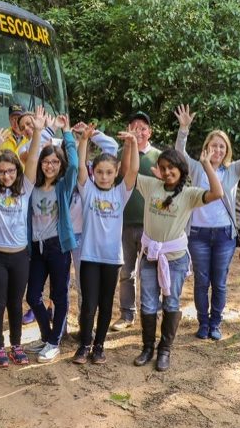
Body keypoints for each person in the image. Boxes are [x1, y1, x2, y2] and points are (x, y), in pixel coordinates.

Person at [175, 104, 240, 340]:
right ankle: (203, 323)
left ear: (227, 150)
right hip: (198, 233)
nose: (217, 149)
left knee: (220, 282)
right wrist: (184, 129)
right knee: (202, 281)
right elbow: (179, 154)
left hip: (225, 234)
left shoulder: (233, 170)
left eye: (221, 146)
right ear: (206, 147)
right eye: (213, 145)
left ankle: (216, 323)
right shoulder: (196, 168)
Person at [133, 147, 224, 372]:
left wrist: (206, 165)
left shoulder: (190, 194)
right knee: (148, 304)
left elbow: (217, 193)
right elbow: (131, 171)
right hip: (149, 256)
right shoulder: (151, 185)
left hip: (174, 259)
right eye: (162, 168)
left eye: (171, 167)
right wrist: (132, 144)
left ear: (180, 169)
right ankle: (147, 348)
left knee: (170, 303)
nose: (166, 172)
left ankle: (165, 350)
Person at [0, 104, 46, 368]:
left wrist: (37, 132)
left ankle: (16, 344)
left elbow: (34, 159)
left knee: (15, 303)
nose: (6, 175)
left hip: (19, 257)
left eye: (10, 171)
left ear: (17, 171)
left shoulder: (25, 188)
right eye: (2, 171)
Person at [73, 125, 138, 364]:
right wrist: (84, 140)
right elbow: (80, 166)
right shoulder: (87, 190)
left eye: (109, 173)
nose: (104, 176)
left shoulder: (121, 193)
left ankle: (99, 346)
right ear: (94, 172)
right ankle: (84, 344)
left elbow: (133, 170)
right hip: (90, 257)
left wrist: (132, 144)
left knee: (106, 304)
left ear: (115, 172)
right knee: (89, 304)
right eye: (99, 172)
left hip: (112, 259)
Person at [23, 114, 78, 363]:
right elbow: (28, 157)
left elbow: (75, 166)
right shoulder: (32, 186)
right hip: (36, 247)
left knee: (59, 296)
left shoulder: (63, 186)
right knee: (33, 295)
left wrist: (66, 133)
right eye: (46, 162)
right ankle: (48, 337)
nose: (50, 166)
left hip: (58, 246)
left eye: (55, 162)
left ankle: (54, 341)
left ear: (60, 165)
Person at [112, 111, 162, 331]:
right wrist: (129, 147)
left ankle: (152, 312)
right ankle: (126, 314)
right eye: (134, 127)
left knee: (151, 270)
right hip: (124, 223)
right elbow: (122, 173)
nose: (139, 131)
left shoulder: (158, 156)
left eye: (143, 128)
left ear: (149, 132)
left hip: (150, 224)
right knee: (126, 271)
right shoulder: (122, 152)